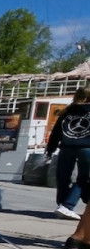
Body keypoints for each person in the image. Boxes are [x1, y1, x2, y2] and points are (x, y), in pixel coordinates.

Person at [46, 87, 90, 220]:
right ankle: (67, 206)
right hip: (86, 147)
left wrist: (50, 149)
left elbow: (56, 132)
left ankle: (62, 205)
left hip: (66, 147)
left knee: (63, 178)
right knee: (83, 179)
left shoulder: (67, 110)